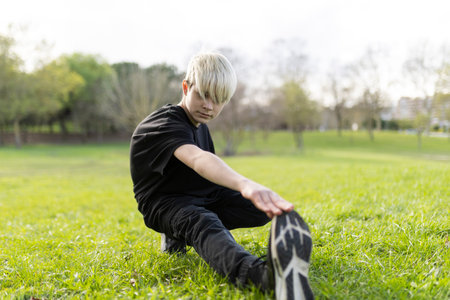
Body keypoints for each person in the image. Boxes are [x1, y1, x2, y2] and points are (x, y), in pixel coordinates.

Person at [130, 52, 314, 300]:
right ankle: (262, 277)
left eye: (218, 100)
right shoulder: (165, 123)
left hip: (203, 194)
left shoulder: (200, 126)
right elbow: (198, 159)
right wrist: (245, 183)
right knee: (202, 222)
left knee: (260, 208)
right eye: (203, 94)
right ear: (186, 87)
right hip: (165, 203)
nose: (209, 105)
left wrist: (254, 195)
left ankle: (179, 236)